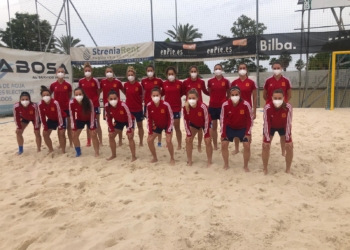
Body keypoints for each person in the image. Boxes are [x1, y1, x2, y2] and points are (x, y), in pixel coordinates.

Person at [220, 86, 253, 172]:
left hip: (242, 128)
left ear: (240, 94)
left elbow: (250, 119)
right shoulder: (225, 104)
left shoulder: (246, 104)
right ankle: (226, 164)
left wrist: (248, 133)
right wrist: (223, 134)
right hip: (230, 127)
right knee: (224, 144)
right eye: (232, 95)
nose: (234, 96)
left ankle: (245, 166)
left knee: (247, 145)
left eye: (236, 94)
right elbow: (222, 120)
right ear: (230, 95)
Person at [262, 89, 293, 175]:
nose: (277, 100)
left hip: (283, 126)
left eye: (279, 98)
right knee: (265, 146)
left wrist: (288, 140)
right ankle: (265, 168)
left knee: (290, 146)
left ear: (283, 98)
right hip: (271, 126)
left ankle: (288, 169)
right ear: (272, 98)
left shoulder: (288, 107)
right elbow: (266, 124)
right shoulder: (267, 107)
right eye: (275, 98)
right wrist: (267, 140)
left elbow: (288, 123)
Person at [231, 63, 257, 154]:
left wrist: (254, 111)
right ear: (238, 70)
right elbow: (231, 96)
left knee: (248, 128)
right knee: (236, 127)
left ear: (246, 69)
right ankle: (237, 148)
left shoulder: (251, 82)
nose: (242, 69)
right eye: (240, 68)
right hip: (236, 108)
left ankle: (247, 148)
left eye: (244, 68)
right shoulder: (234, 83)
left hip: (248, 109)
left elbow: (254, 97)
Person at [182, 65, 210, 152]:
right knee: (192, 125)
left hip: (199, 105)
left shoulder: (201, 82)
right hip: (189, 106)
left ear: (197, 72)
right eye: (192, 71)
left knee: (200, 128)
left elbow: (205, 91)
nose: (193, 73)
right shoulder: (185, 82)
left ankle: (199, 145)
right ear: (189, 72)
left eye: (195, 71)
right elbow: (182, 92)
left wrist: (214, 93)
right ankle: (191, 143)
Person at [183, 88, 213, 167]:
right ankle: (189, 160)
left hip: (206, 123)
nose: (191, 100)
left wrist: (206, 134)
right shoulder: (185, 108)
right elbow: (185, 121)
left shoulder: (203, 106)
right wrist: (188, 134)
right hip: (194, 124)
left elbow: (207, 121)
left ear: (197, 98)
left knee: (208, 141)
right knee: (188, 140)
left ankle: (209, 161)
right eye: (189, 98)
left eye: (193, 98)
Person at [105, 89, 137, 162]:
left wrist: (129, 129)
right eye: (111, 99)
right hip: (118, 121)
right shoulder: (107, 106)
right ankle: (113, 155)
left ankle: (133, 156)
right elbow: (108, 118)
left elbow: (129, 116)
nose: (113, 100)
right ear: (107, 99)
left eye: (115, 98)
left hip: (129, 121)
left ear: (118, 98)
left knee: (130, 136)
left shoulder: (123, 105)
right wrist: (111, 129)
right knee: (111, 136)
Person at [146, 87, 175, 165]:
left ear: (160, 95)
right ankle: (155, 158)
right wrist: (150, 131)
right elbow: (148, 119)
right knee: (149, 140)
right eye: (153, 95)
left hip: (167, 125)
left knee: (168, 140)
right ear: (151, 96)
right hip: (157, 125)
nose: (155, 97)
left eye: (157, 95)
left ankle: (172, 158)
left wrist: (168, 130)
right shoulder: (149, 105)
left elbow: (171, 118)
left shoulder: (166, 104)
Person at [69, 87, 99, 157]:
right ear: (74, 95)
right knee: (74, 135)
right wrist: (73, 128)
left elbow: (92, 114)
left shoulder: (89, 101)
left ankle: (97, 152)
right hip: (80, 119)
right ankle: (78, 152)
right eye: (76, 94)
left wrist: (92, 127)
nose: (78, 96)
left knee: (93, 134)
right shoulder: (72, 102)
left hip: (90, 119)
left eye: (80, 94)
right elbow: (72, 116)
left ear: (83, 94)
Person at [78, 62, 102, 146]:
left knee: (97, 123)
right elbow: (80, 92)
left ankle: (101, 141)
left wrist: (94, 100)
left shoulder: (95, 80)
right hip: (85, 105)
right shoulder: (81, 81)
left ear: (91, 71)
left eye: (89, 70)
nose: (87, 71)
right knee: (88, 124)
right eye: (86, 70)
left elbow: (98, 92)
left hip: (95, 104)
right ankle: (89, 141)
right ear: (84, 71)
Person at [38, 86, 67, 154]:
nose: (46, 96)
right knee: (45, 134)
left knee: (61, 133)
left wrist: (61, 126)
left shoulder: (55, 102)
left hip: (61, 118)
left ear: (50, 95)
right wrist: (45, 127)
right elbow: (42, 117)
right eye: (44, 95)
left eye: (47, 95)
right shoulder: (40, 104)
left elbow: (59, 115)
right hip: (51, 119)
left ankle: (63, 151)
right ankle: (51, 149)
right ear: (41, 96)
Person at [207, 63, 230, 150]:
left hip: (222, 107)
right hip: (212, 106)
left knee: (223, 127)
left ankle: (223, 144)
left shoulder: (226, 81)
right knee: (214, 127)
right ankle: (215, 146)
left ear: (222, 69)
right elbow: (210, 92)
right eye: (216, 69)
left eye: (219, 68)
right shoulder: (210, 81)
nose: (218, 70)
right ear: (214, 70)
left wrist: (224, 102)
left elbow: (228, 93)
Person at [100, 67, 124, 146]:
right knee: (109, 122)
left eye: (110, 71)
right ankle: (111, 138)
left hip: (117, 106)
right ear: (105, 73)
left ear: (113, 72)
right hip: (107, 106)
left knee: (119, 123)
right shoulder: (102, 82)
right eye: (107, 71)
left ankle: (120, 140)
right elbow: (98, 91)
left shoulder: (118, 82)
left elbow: (124, 91)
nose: (109, 73)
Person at [50, 67, 73, 147]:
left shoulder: (68, 85)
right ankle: (61, 143)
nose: (60, 73)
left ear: (64, 74)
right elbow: (49, 94)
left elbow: (69, 96)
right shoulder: (53, 85)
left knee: (69, 126)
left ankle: (71, 143)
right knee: (60, 127)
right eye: (59, 72)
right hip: (57, 109)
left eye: (62, 72)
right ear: (56, 73)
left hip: (67, 108)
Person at [141, 65, 163, 147]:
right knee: (150, 122)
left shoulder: (159, 80)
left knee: (159, 123)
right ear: (146, 71)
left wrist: (160, 99)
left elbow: (163, 91)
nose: (150, 72)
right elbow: (143, 91)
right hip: (147, 105)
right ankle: (150, 136)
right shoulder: (143, 81)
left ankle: (159, 142)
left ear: (154, 71)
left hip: (157, 104)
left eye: (151, 70)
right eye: (148, 70)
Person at [161, 66, 183, 150]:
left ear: (175, 74)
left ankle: (179, 144)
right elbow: (161, 94)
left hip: (176, 108)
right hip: (167, 109)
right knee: (168, 127)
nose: (171, 75)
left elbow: (181, 93)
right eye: (169, 74)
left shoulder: (179, 84)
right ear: (167, 75)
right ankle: (169, 142)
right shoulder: (164, 84)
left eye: (172, 74)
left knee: (177, 127)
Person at [124, 66, 144, 146]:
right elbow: (126, 94)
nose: (130, 76)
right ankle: (131, 141)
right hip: (129, 110)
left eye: (131, 75)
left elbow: (141, 96)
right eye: (129, 75)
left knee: (140, 126)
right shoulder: (125, 85)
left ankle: (141, 141)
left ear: (134, 75)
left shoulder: (138, 85)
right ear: (127, 76)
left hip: (138, 109)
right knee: (131, 127)